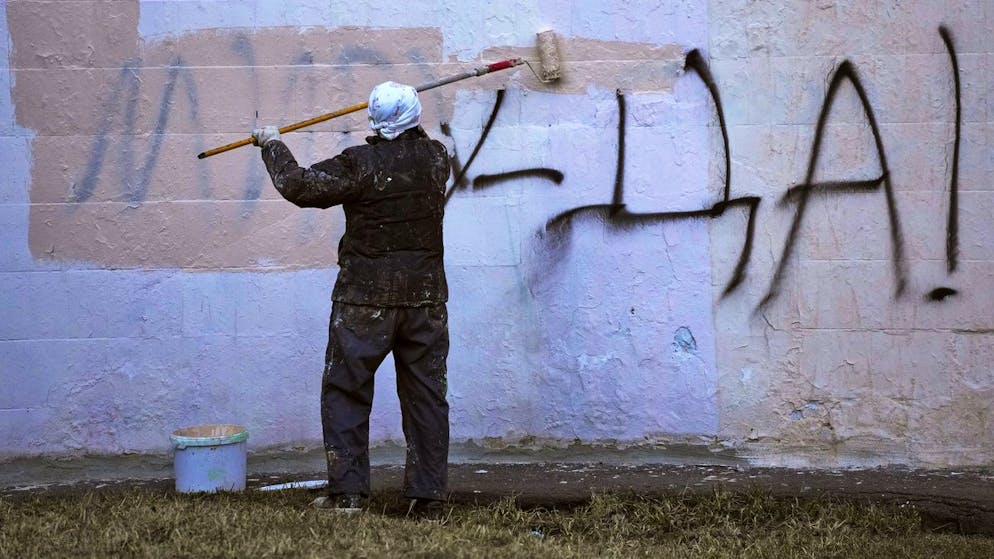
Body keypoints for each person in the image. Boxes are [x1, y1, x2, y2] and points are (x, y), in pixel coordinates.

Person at [252, 81, 451, 518]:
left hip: (364, 299)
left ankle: (348, 496)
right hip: (425, 299)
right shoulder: (437, 159)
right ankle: (428, 498)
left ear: (374, 121)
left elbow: (299, 186)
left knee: (346, 390)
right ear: (416, 117)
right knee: (426, 397)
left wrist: (271, 144)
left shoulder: (359, 165)